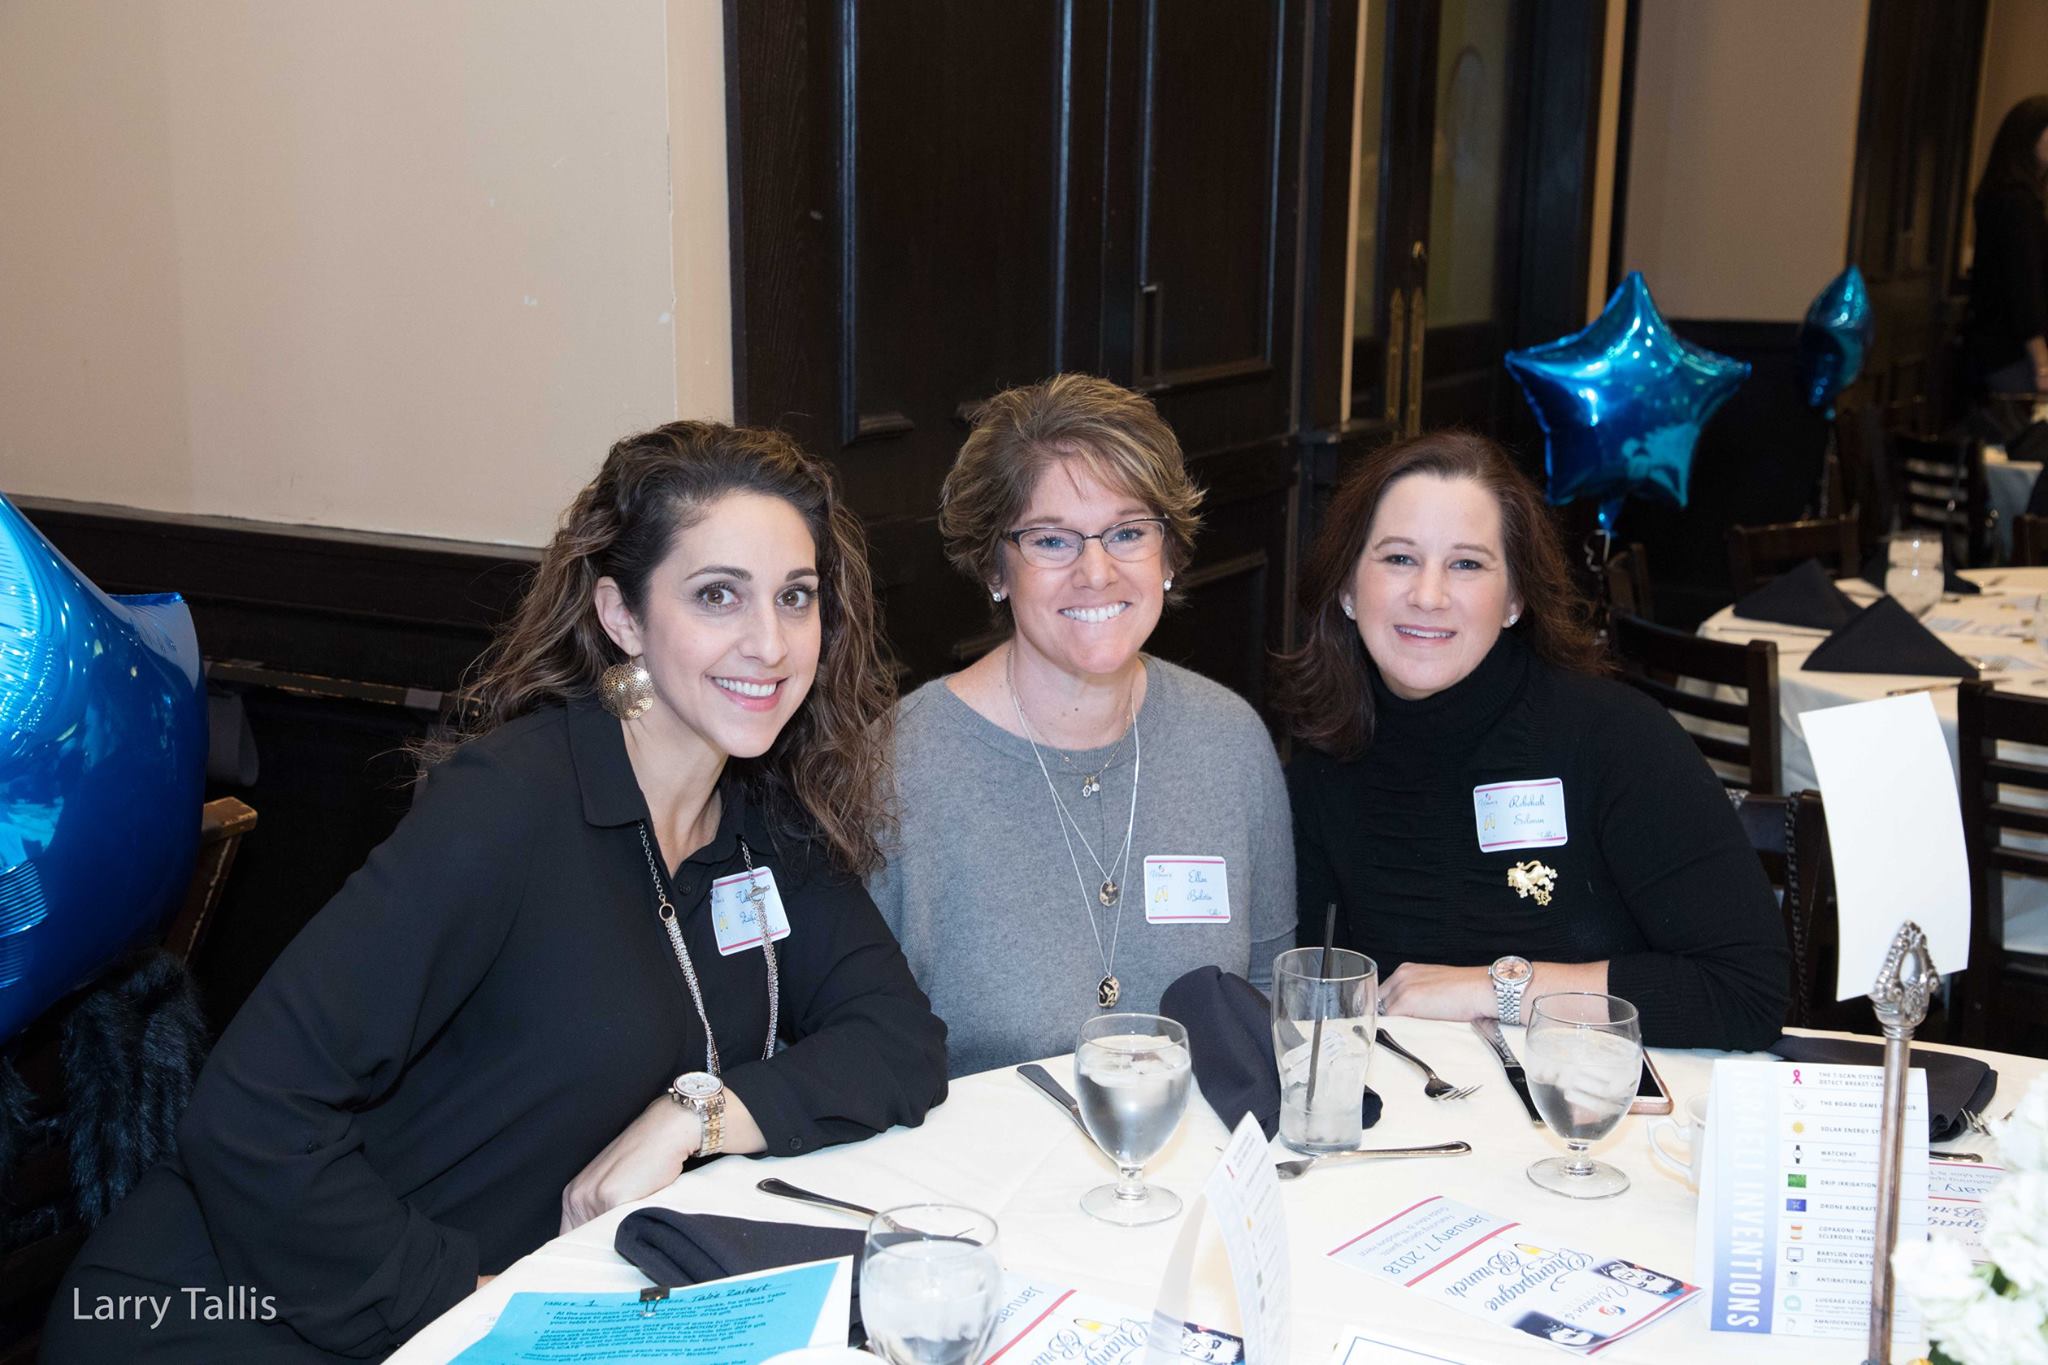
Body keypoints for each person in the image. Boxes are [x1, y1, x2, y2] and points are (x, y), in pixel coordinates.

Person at [44, 422, 948, 1362]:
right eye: (717, 594)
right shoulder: (512, 804)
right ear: (622, 616)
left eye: (795, 597)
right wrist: (472, 1304)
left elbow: (898, 1040)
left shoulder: (766, 814)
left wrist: (697, 1113)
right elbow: (249, 1114)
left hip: (503, 1306)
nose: (769, 643)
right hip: (236, 1313)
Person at [1276, 431, 1788, 1051]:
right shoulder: (1322, 767)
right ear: (1347, 589)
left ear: (1515, 598)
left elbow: (1747, 992)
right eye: (1399, 559)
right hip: (1413, 1099)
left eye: (1467, 564)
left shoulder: (1614, 738)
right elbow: (1315, 1007)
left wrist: (1498, 989)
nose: (1428, 595)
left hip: (1588, 1100)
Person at [868, 374, 1294, 1076]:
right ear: (995, 568)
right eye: (1052, 540)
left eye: (1127, 532)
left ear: (1168, 555)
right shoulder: (898, 767)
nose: (1096, 571)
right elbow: (849, 1048)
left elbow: (1272, 993)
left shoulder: (1230, 740)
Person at [1963, 96, 2048, 418]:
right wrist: (2042, 361)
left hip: (1997, 348)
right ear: (2029, 138)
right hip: (2014, 353)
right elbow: (2023, 285)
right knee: (2023, 437)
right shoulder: (2018, 203)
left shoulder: (2001, 194)